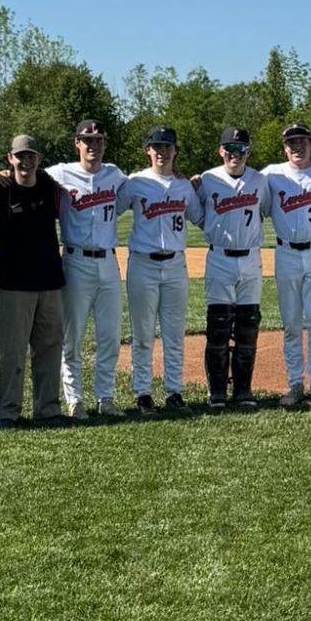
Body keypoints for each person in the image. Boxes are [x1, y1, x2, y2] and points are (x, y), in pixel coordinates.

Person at [120, 126, 202, 415]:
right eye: (157, 147)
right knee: (142, 334)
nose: (162, 152)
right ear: (148, 151)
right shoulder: (134, 182)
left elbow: (199, 216)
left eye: (167, 147)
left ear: (175, 151)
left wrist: (198, 184)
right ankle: (143, 394)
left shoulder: (184, 187)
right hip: (142, 263)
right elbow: (112, 208)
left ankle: (174, 392)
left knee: (174, 333)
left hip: (176, 265)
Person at [48, 119, 127, 419]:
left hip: (108, 262)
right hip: (76, 261)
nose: (93, 145)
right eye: (87, 140)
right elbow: (27, 177)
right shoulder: (59, 173)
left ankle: (105, 398)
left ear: (104, 144)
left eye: (98, 140)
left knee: (109, 335)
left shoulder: (114, 174)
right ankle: (75, 400)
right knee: (73, 336)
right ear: (76, 143)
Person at [262, 122, 311, 409]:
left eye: (302, 141)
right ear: (284, 147)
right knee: (292, 324)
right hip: (285, 254)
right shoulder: (271, 174)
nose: (297, 147)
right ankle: (295, 384)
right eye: (291, 142)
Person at [0, 135, 65, 429]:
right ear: (10, 158)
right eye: (20, 156)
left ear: (39, 159)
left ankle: (47, 409)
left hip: (49, 281)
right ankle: (8, 412)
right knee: (13, 351)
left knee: (49, 347)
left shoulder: (49, 186)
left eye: (31, 155)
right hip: (13, 283)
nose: (25, 161)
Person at [198, 127, 271, 408]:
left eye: (240, 148)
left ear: (247, 152)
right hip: (219, 257)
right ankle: (217, 391)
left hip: (251, 257)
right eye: (229, 148)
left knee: (247, 325)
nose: (234, 154)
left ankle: (243, 390)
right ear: (220, 151)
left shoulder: (259, 181)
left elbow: (264, 210)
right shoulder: (207, 180)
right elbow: (197, 213)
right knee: (217, 325)